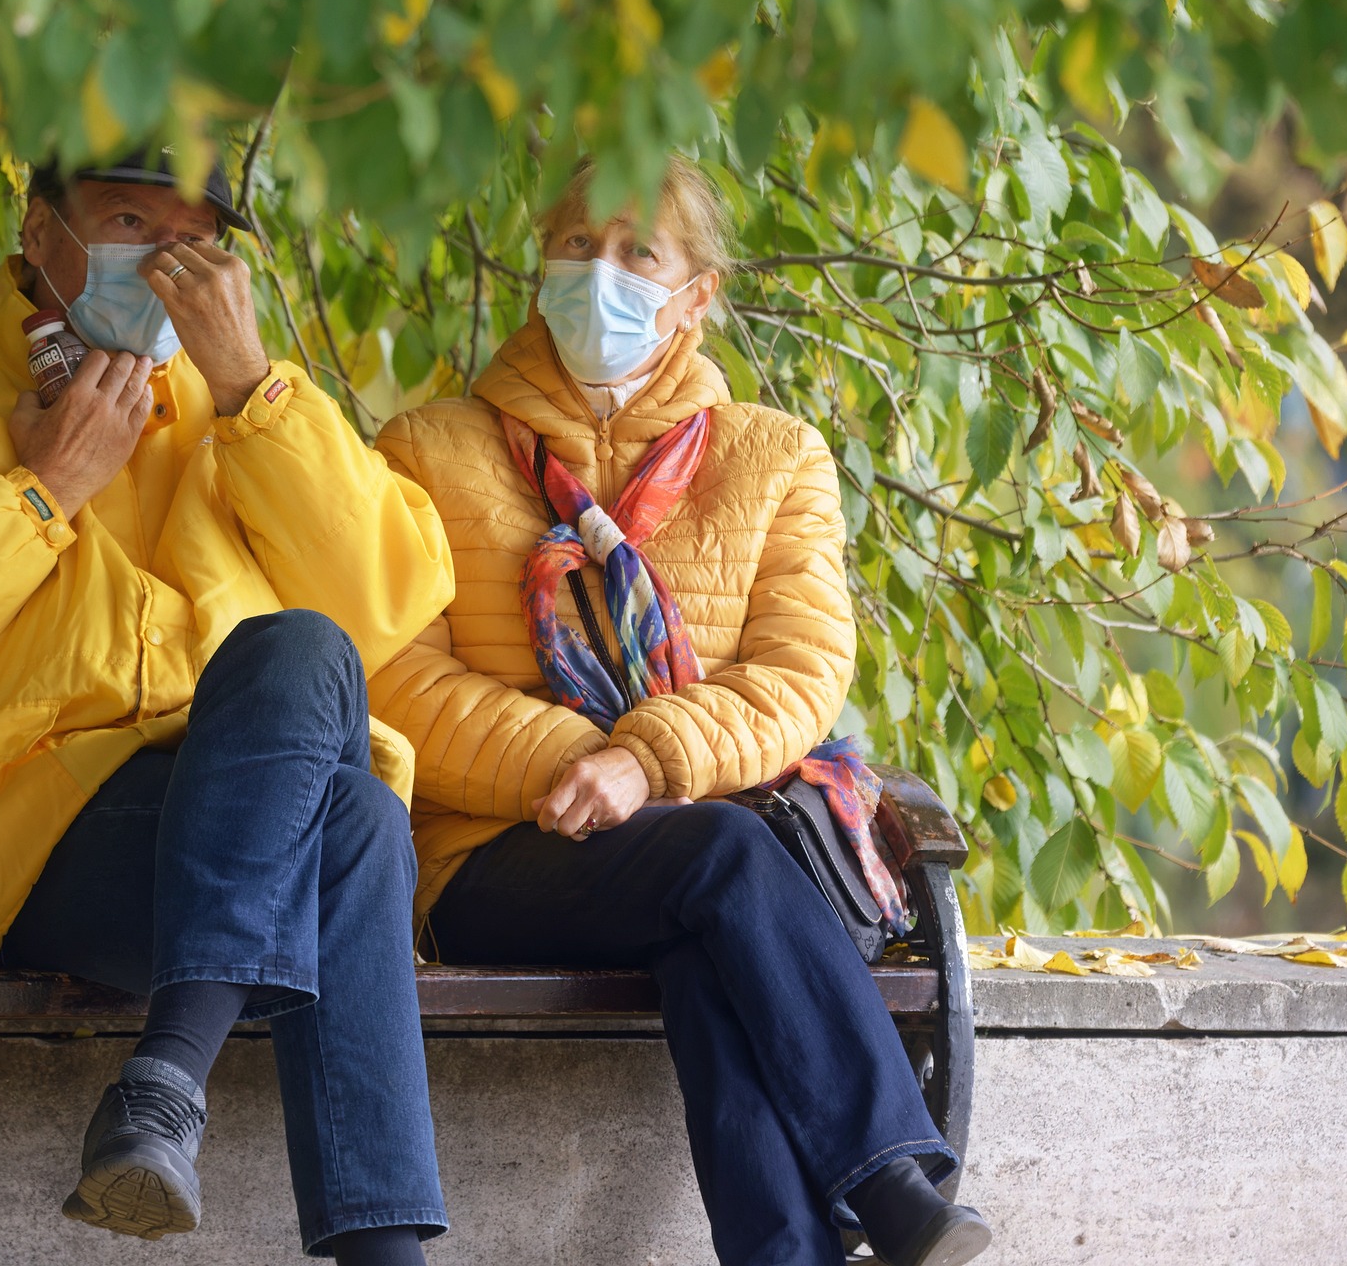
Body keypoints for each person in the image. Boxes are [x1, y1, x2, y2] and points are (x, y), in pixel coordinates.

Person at [0, 150, 453, 1265]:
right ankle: (206, 1112)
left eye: (190, 237)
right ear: (41, 234)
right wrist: (40, 494)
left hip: (224, 817)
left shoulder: (235, 407)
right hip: (3, 841)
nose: (162, 259)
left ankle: (165, 1087)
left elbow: (387, 602)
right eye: (128, 218)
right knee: (352, 825)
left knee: (315, 678)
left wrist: (251, 393)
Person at [367, 156, 994, 1266]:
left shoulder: (775, 459)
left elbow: (800, 676)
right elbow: (393, 677)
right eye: (574, 246)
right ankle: (891, 1178)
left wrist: (651, 763)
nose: (596, 273)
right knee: (719, 850)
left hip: (703, 866)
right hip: (494, 857)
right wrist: (585, 762)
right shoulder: (427, 449)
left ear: (696, 293)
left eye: (634, 253)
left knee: (710, 931)